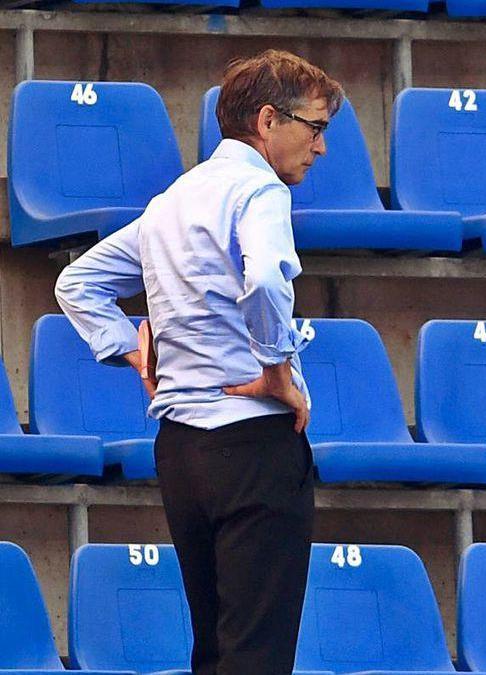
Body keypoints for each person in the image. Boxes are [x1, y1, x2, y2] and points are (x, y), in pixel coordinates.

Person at [55, 49, 341, 674]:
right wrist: (277, 369)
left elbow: (76, 284)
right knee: (257, 655)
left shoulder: (172, 201)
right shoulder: (258, 189)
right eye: (315, 128)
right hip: (253, 443)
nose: (320, 147)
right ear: (269, 121)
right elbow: (266, 277)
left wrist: (132, 350)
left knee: (213, 653)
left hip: (182, 451)